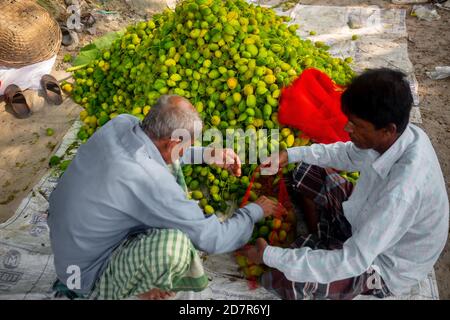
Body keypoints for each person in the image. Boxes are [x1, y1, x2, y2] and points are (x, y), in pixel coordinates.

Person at [48, 95, 278, 300]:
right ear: (173, 143)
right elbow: (214, 239)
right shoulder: (149, 179)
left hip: (71, 254)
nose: (190, 149)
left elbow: (158, 151)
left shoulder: (123, 123)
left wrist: (207, 155)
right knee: (175, 245)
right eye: (189, 145)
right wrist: (254, 211)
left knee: (169, 169)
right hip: (85, 278)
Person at [245, 68, 449, 300]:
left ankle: (324, 248)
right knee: (304, 170)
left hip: (381, 264)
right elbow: (348, 155)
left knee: (282, 279)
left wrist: (269, 256)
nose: (346, 129)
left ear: (387, 130)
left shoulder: (402, 192)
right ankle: (324, 242)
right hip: (365, 221)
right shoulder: (402, 136)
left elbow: (353, 260)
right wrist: (290, 154)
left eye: (356, 126)